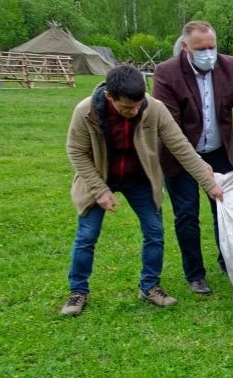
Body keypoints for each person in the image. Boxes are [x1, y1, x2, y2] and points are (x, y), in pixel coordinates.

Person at [60, 64, 224, 316]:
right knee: (87, 236)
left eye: (138, 105)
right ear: (109, 97)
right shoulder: (86, 112)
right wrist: (100, 190)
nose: (134, 111)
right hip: (99, 176)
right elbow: (76, 152)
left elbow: (181, 146)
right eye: (126, 107)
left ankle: (149, 286)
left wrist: (209, 182)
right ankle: (77, 292)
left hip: (140, 178)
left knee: (155, 232)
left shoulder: (154, 109)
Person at [153, 20, 233, 295]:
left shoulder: (230, 66)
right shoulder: (166, 73)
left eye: (212, 47)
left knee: (224, 209)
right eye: (200, 48)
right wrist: (197, 165)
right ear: (186, 48)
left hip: (218, 152)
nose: (208, 53)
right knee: (186, 215)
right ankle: (195, 274)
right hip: (180, 156)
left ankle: (228, 261)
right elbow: (168, 127)